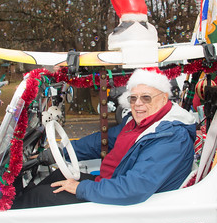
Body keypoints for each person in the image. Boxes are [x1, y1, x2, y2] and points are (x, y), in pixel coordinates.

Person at [12, 69, 196, 209]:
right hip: (112, 184)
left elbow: (134, 188)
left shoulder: (170, 136)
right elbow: (98, 142)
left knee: (40, 197)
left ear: (164, 98)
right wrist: (60, 153)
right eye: (133, 98)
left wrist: (80, 189)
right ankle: (18, 200)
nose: (138, 104)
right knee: (58, 176)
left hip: (129, 206)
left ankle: (10, 221)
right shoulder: (139, 123)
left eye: (146, 98)